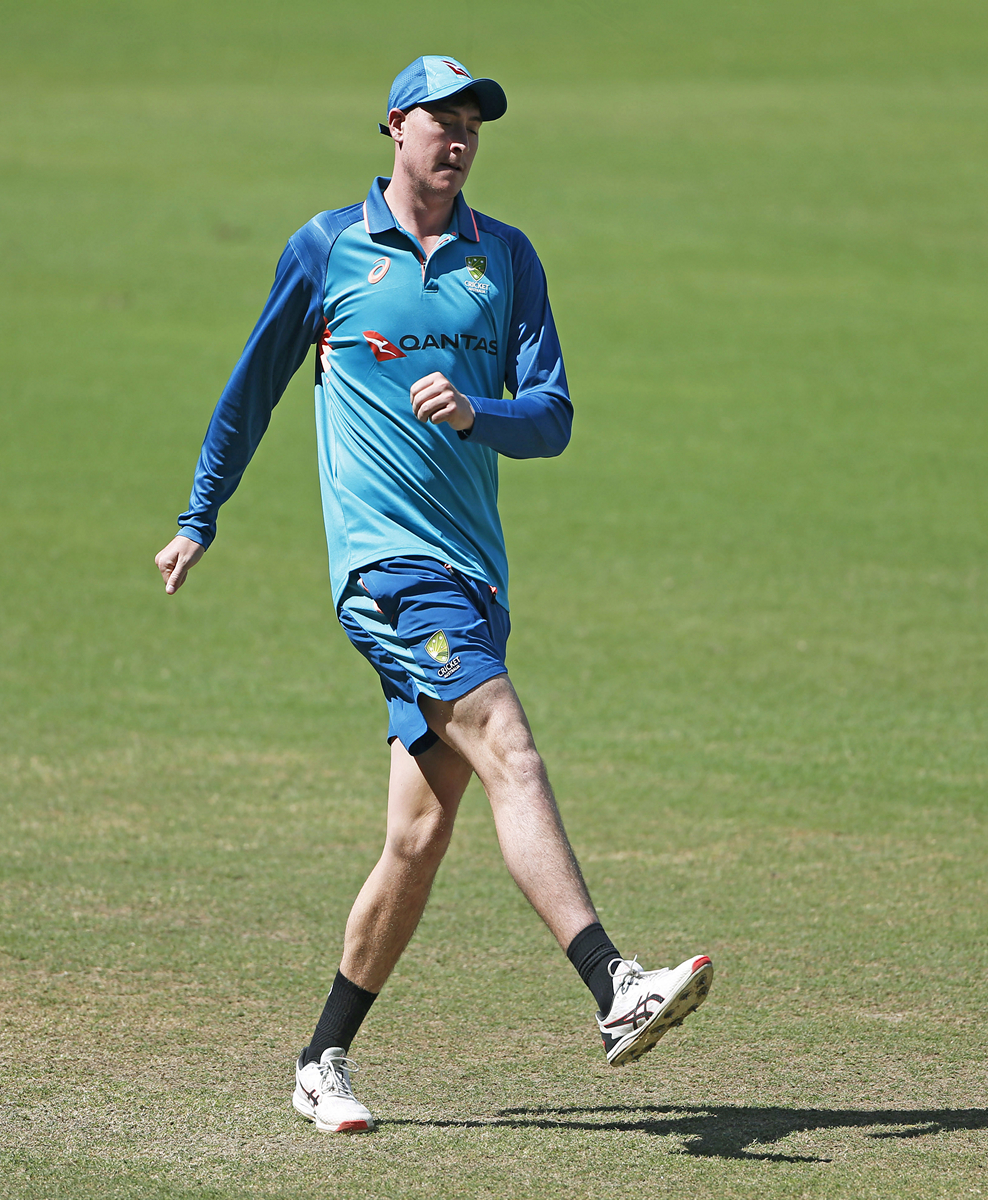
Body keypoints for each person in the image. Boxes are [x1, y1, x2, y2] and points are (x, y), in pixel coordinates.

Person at [155, 55, 712, 1134]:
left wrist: (477, 413)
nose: (456, 141)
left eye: (472, 126)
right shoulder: (326, 251)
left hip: (473, 576)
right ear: (393, 129)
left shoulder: (504, 260)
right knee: (509, 740)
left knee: (418, 837)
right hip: (387, 573)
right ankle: (611, 985)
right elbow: (252, 391)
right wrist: (198, 516)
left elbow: (550, 416)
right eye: (438, 122)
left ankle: (320, 1060)